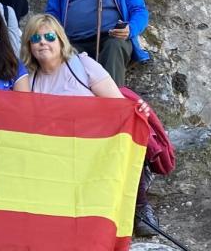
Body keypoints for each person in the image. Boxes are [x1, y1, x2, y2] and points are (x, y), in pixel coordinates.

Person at [20, 13, 156, 236]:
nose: (42, 42)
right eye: (35, 39)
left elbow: (118, 106)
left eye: (49, 36)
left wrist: (136, 113)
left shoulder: (82, 65)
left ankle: (140, 207)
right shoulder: (29, 79)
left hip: (93, 144)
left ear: (61, 40)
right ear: (29, 45)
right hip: (57, 153)